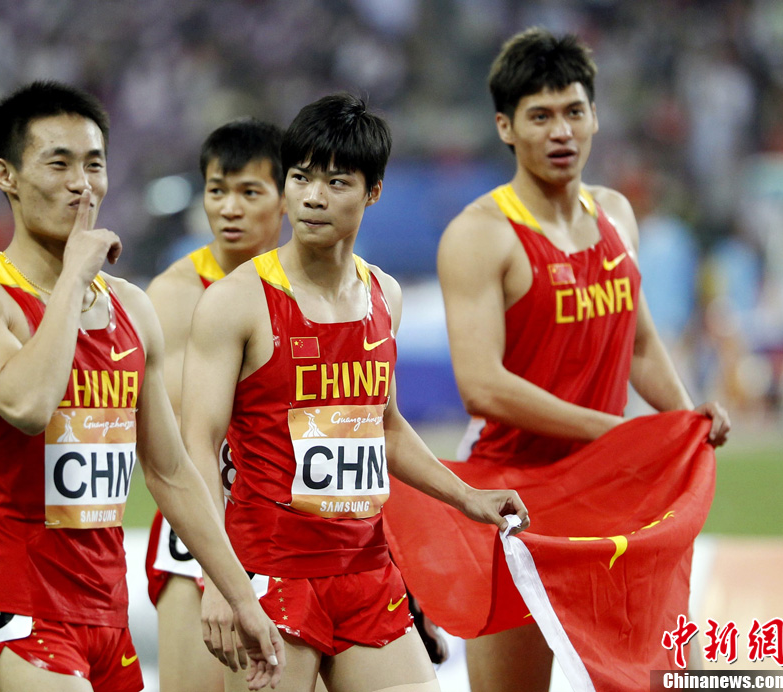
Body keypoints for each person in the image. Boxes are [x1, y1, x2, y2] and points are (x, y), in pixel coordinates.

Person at [0, 81, 283, 692]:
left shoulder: (132, 309)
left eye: (94, 165)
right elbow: (27, 404)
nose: (82, 184)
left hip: (106, 617)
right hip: (14, 612)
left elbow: (171, 472)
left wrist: (240, 595)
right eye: (59, 164)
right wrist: (73, 275)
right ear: (6, 176)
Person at [181, 92, 530, 692]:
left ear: (373, 192)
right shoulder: (236, 301)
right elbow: (198, 447)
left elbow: (384, 427)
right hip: (271, 574)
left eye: (336, 182)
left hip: (366, 575)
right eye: (300, 178)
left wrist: (467, 497)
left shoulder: (384, 296)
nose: (313, 197)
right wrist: (219, 580)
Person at [436, 28, 731, 692]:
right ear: (506, 127)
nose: (561, 131)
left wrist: (683, 421)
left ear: (595, 116)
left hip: (608, 487)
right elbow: (483, 386)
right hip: (513, 495)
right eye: (540, 116)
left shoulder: (616, 215)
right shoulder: (480, 235)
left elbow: (641, 343)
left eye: (573, 111)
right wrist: (619, 433)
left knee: (653, 675)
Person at [143, 117, 294, 692]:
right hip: (205, 519)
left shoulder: (310, 286)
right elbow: (182, 441)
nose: (229, 208)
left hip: (296, 523)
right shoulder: (176, 295)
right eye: (216, 190)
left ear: (285, 199)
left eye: (249, 192)